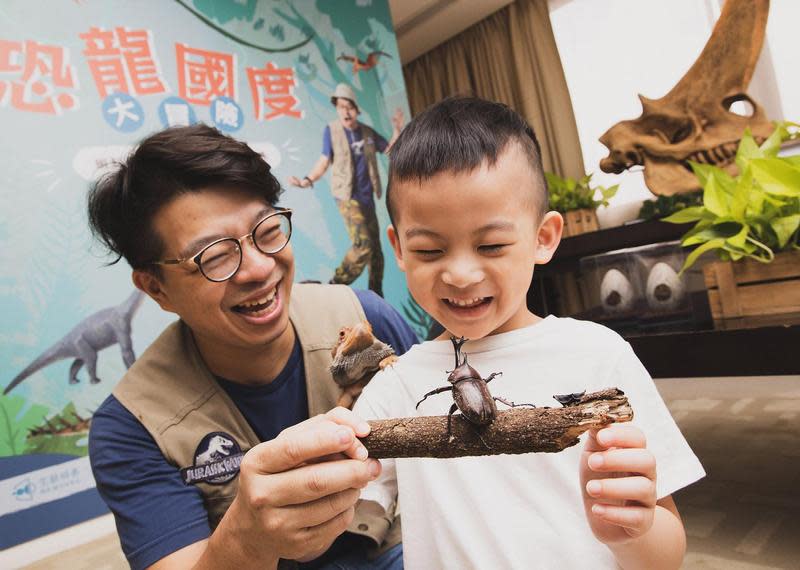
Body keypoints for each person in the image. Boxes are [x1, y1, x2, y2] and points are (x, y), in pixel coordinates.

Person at [351, 97, 706, 569]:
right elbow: (344, 502)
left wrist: (631, 532)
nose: (459, 273)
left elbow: (665, 556)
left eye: (491, 245)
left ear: (544, 238)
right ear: (398, 248)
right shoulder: (396, 383)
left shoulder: (599, 354)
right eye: (431, 250)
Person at [86, 123, 417, 570]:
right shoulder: (131, 427)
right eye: (215, 256)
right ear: (155, 288)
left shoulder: (363, 317)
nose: (260, 268)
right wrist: (246, 536)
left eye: (266, 229)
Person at [288, 83, 403, 297]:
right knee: (363, 245)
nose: (345, 111)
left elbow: (389, 150)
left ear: (356, 110)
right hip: (346, 196)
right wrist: (307, 180)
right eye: (341, 107)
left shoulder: (367, 132)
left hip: (367, 197)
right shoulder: (331, 131)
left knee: (376, 252)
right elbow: (324, 160)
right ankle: (335, 284)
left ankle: (377, 295)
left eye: (349, 107)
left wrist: (397, 129)